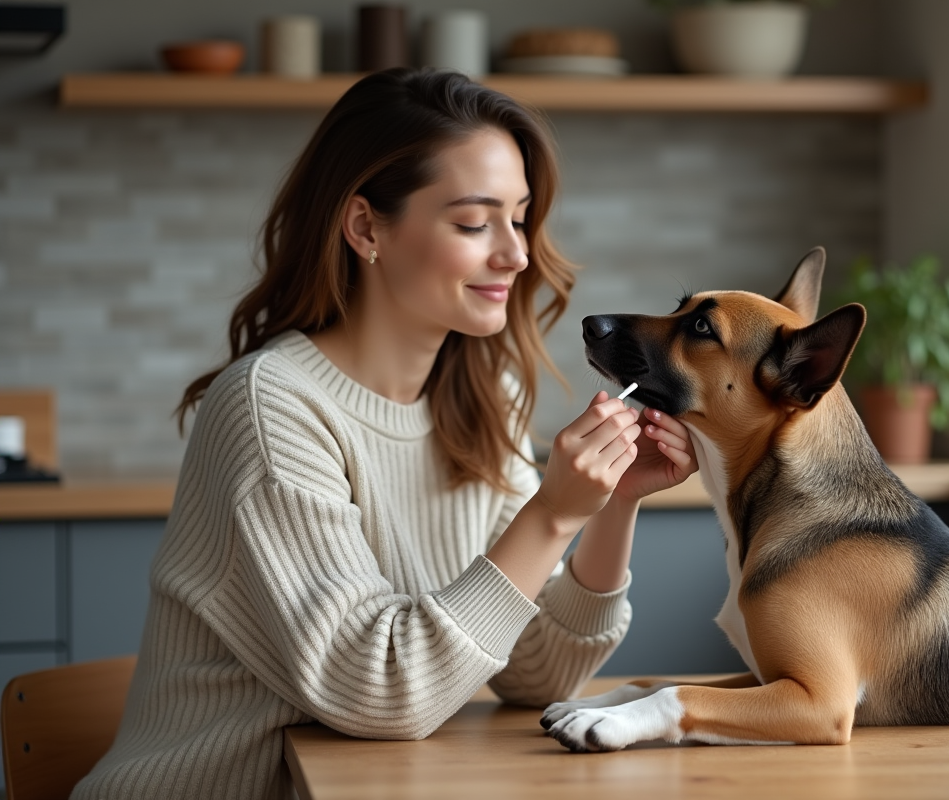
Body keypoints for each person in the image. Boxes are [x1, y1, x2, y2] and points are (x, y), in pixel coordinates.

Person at [71, 68, 696, 800]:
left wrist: (611, 504)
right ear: (367, 228)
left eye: (520, 218)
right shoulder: (271, 407)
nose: (517, 255)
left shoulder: (482, 399)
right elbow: (380, 692)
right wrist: (551, 513)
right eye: (475, 223)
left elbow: (534, 672)